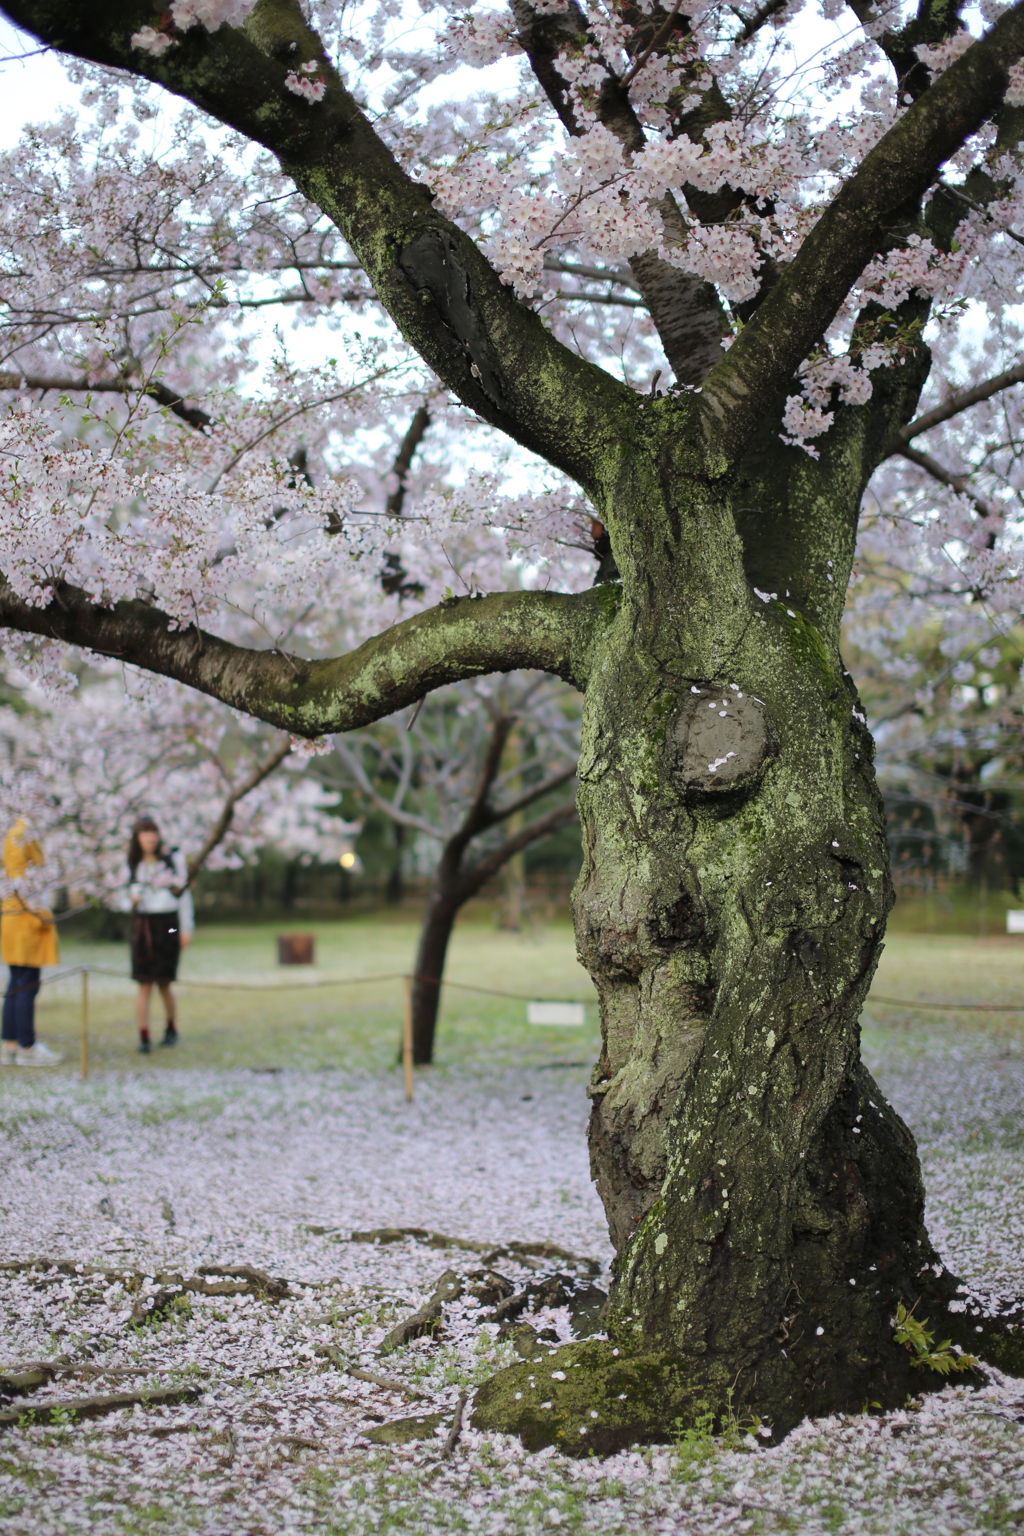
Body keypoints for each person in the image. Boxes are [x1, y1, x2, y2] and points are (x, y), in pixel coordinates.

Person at [126, 817, 193, 1054]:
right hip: (143, 925)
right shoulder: (132, 865)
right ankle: (143, 1035)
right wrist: (131, 899)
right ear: (138, 837)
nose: (149, 837)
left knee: (165, 982)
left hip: (169, 925)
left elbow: (184, 897)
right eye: (144, 832)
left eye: (152, 832)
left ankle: (171, 1028)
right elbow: (121, 899)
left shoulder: (171, 861)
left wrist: (186, 928)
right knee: (144, 983)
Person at [0, 819, 62, 1066]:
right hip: (25, 918)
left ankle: (10, 1043)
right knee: (27, 984)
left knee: (17, 983)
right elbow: (28, 877)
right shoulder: (21, 833)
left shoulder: (15, 832)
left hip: (15, 916)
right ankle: (26, 1046)